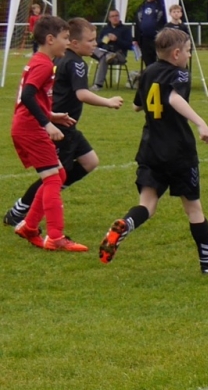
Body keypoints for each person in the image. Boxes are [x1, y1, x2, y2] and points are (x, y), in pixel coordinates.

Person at [98, 28, 208, 274]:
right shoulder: (179, 73)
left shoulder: (148, 72)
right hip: (179, 151)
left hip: (150, 148)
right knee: (193, 209)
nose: (189, 56)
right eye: (188, 51)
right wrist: (200, 123)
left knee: (147, 204)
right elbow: (172, 98)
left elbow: (137, 106)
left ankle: (126, 224)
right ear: (176, 53)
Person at [5, 17, 124, 230]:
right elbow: (80, 94)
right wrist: (108, 102)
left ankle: (40, 203)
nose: (95, 44)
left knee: (89, 161)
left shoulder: (56, 59)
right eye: (90, 40)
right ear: (73, 43)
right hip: (57, 129)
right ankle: (21, 211)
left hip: (63, 122)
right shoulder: (75, 63)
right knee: (54, 176)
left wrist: (51, 116)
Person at [8, 15, 88, 251]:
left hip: (29, 124)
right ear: (50, 39)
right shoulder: (43, 64)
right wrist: (46, 124)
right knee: (53, 178)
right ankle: (55, 237)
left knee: (59, 174)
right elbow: (28, 95)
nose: (68, 42)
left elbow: (30, 98)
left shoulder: (40, 61)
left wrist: (51, 116)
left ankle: (29, 227)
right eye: (65, 38)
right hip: (30, 128)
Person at [93, 9, 133, 89]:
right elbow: (98, 43)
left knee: (104, 58)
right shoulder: (105, 29)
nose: (115, 18)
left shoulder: (125, 29)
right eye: (112, 16)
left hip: (118, 55)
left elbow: (129, 45)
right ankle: (106, 55)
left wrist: (116, 40)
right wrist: (105, 39)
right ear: (109, 18)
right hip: (104, 52)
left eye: (116, 16)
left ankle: (98, 85)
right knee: (92, 49)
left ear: (119, 17)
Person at [133, 0, 166, 66]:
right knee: (148, 63)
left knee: (161, 62)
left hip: (158, 39)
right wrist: (135, 38)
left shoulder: (162, 5)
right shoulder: (141, 7)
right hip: (144, 40)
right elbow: (137, 23)